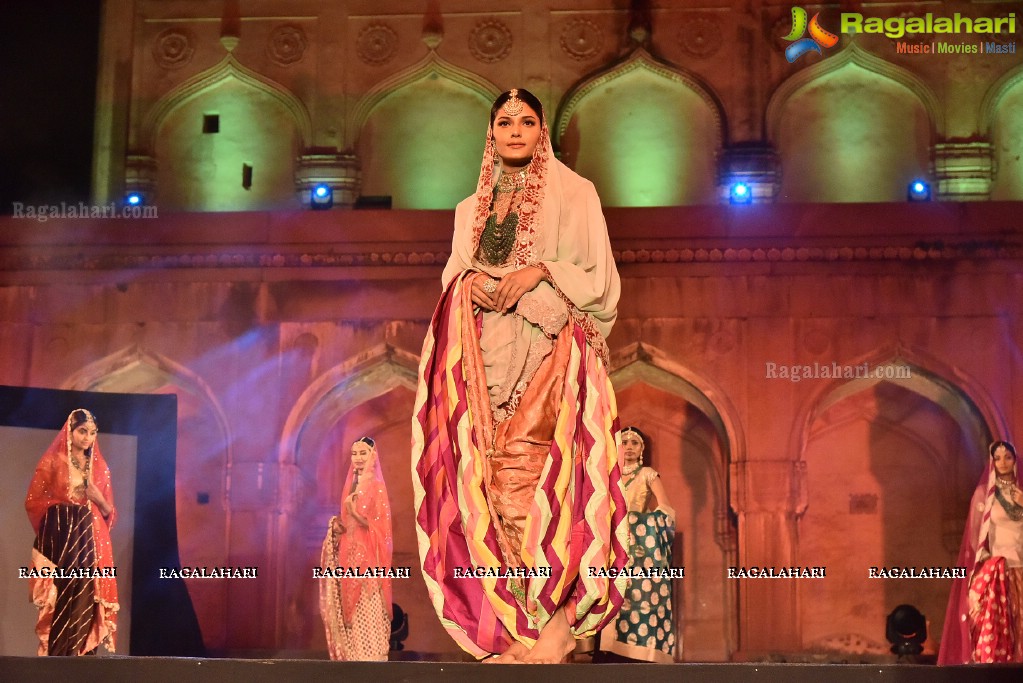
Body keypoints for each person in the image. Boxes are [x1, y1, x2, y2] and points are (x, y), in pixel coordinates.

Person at [412, 87, 629, 663]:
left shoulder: (576, 193)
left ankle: (554, 627)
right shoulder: (468, 208)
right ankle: (512, 630)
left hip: (548, 346)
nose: (514, 131)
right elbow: (453, 277)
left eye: (526, 121)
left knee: (539, 480)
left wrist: (540, 271)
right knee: (482, 482)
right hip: (483, 356)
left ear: (541, 132)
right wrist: (469, 285)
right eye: (503, 122)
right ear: (490, 132)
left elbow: (599, 281)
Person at [24, 408, 118, 656]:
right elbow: (33, 502)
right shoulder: (53, 462)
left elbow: (109, 513)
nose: (87, 438)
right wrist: (64, 512)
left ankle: (81, 666)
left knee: (87, 599)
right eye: (82, 431)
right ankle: (58, 666)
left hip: (90, 546)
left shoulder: (100, 468)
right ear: (70, 431)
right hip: (64, 544)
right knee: (64, 599)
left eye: (92, 433)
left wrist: (98, 499)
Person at [939, 440, 1023, 663]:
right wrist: (986, 567)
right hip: (997, 572)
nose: (1003, 462)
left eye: (1008, 457)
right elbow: (976, 540)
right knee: (993, 633)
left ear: (1015, 460)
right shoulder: (984, 495)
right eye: (997, 458)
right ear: (991, 462)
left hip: (1021, 569)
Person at [598, 426, 677, 663]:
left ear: (642, 449)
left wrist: (633, 522)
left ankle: (633, 653)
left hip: (637, 552)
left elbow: (666, 511)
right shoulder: (607, 475)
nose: (629, 447)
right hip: (607, 545)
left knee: (632, 598)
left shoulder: (648, 475)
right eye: (624, 442)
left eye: (635, 443)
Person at [319, 436, 393, 661]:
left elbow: (382, 529)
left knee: (368, 604)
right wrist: (337, 525)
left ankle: (372, 657)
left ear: (373, 455)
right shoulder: (350, 485)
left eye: (363, 453)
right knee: (349, 605)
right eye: (355, 453)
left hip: (369, 558)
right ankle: (352, 657)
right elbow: (347, 524)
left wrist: (354, 512)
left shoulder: (377, 487)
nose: (358, 458)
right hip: (348, 555)